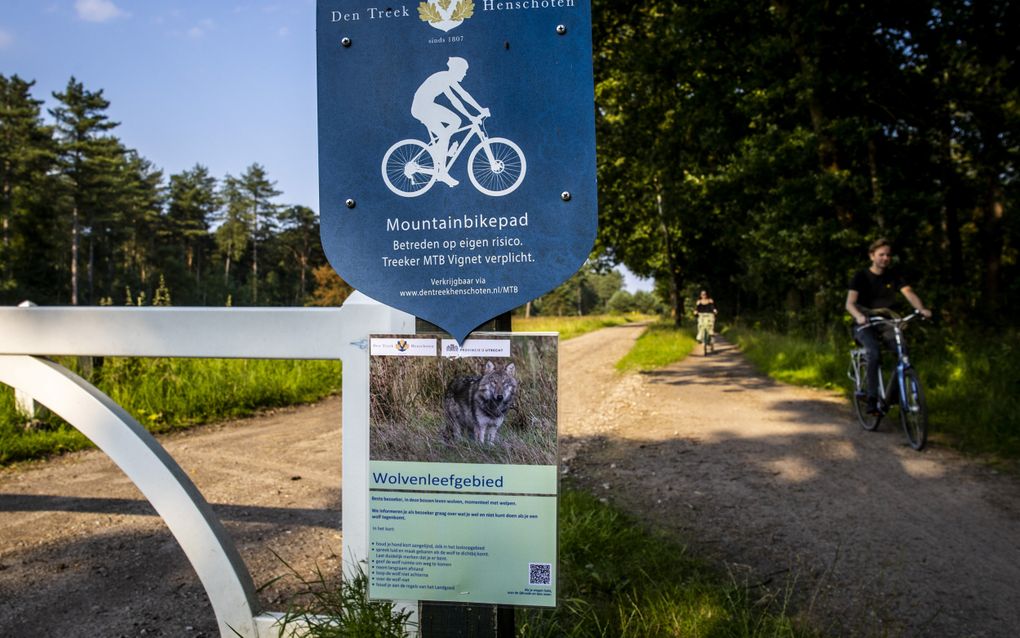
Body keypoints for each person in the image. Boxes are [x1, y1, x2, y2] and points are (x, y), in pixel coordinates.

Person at [845, 238, 932, 414]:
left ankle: (890, 398)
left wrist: (921, 309)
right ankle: (871, 399)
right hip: (866, 322)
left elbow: (909, 293)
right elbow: (849, 304)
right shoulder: (860, 276)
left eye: (888, 255)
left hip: (887, 321)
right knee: (874, 352)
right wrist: (859, 316)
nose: (885, 258)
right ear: (872, 256)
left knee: (903, 353)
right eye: (881, 254)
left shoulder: (894, 275)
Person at [411, 56, 490, 187]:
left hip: (426, 106)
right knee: (444, 134)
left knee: (455, 121)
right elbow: (461, 97)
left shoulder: (445, 78)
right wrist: (475, 114)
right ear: (456, 70)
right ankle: (441, 172)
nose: (465, 74)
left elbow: (458, 99)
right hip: (421, 107)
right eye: (464, 71)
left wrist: (477, 112)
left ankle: (440, 148)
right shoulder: (445, 77)